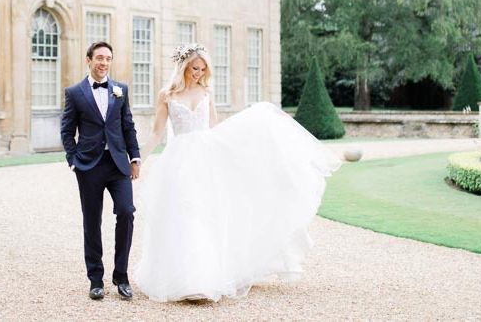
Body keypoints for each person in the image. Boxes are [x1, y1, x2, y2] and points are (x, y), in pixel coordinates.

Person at [133, 43, 341, 302]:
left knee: (205, 215)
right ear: (183, 66)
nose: (198, 73)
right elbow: (156, 132)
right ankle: (182, 279)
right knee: (182, 214)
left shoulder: (206, 92)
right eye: (194, 68)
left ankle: (202, 280)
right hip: (178, 161)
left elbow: (214, 127)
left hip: (205, 159)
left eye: (202, 69)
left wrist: (237, 149)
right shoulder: (167, 94)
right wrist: (138, 158)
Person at [60, 41, 141, 301]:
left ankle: (122, 276)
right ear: (89, 60)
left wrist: (135, 157)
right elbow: (66, 130)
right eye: (99, 58)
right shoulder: (74, 92)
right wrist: (73, 160)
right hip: (89, 166)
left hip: (118, 164)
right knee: (92, 221)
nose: (104, 63)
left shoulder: (120, 90)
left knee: (127, 212)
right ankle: (95, 279)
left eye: (108, 58)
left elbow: (127, 125)